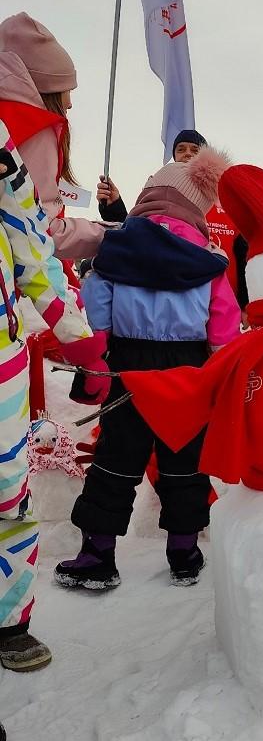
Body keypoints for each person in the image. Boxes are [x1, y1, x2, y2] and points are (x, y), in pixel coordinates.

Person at [55, 146, 240, 591]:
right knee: (184, 458)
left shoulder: (117, 246)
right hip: (188, 369)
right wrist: (221, 369)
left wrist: (96, 359)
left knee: (116, 458)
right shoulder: (210, 259)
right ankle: (184, 551)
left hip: (127, 366)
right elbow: (223, 323)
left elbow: (95, 308)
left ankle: (98, 554)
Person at [0, 123, 109, 671]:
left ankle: (10, 621)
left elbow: (28, 234)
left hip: (0, 362)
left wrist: (73, 328)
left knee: (6, 495)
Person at [0, 12, 107, 261]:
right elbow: (40, 229)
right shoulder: (35, 129)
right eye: (65, 91)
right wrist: (110, 234)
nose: (69, 104)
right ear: (47, 91)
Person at [96, 128, 208, 222]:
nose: (187, 153)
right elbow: (136, 235)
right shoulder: (158, 183)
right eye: (181, 149)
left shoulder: (218, 193)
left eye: (195, 150)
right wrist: (114, 207)